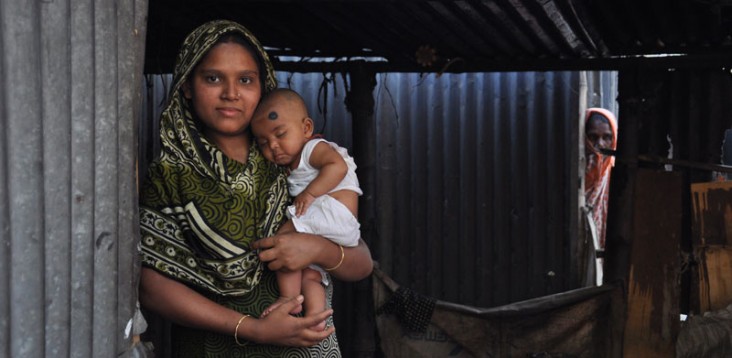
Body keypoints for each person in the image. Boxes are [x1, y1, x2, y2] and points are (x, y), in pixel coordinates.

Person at [137, 19, 373, 357]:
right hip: (216, 349)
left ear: (262, 87)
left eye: (245, 80)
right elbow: (152, 287)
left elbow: (362, 262)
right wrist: (254, 328)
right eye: (213, 78)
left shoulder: (291, 162)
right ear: (187, 85)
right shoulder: (170, 175)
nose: (231, 93)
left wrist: (316, 250)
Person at [251, 88, 362, 330]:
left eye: (280, 134)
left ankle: (287, 298)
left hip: (333, 212)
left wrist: (310, 193)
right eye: (263, 143)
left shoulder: (313, 149)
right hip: (335, 226)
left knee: (283, 241)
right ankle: (316, 318)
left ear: (306, 128)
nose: (274, 146)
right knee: (310, 275)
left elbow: (338, 167)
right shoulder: (292, 162)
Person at [583, 107, 617, 286]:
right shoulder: (576, 173)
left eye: (607, 137)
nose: (600, 144)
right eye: (593, 137)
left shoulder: (617, 175)